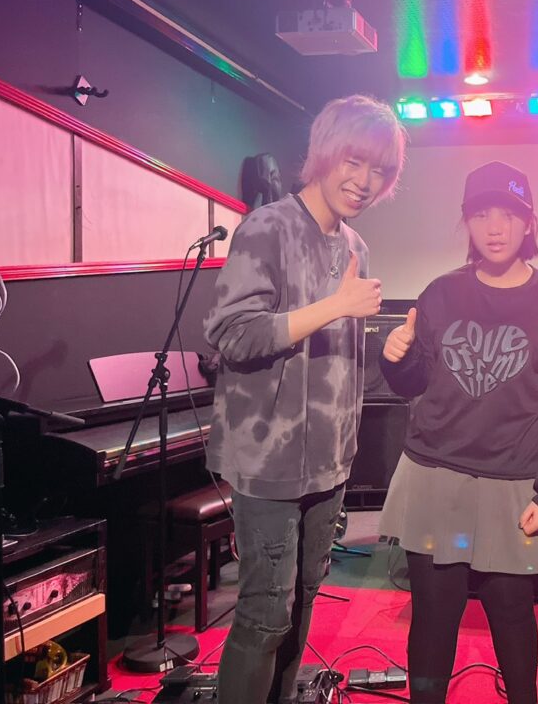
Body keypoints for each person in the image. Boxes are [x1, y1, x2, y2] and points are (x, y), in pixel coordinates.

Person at [204, 94, 407, 704]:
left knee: (301, 604)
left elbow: (343, 360)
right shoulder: (267, 228)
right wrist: (333, 307)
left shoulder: (356, 246)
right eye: (354, 162)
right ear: (323, 153)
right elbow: (231, 334)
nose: (364, 181)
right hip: (268, 458)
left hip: (329, 462)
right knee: (265, 614)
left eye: (379, 171)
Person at [378, 161, 538, 703]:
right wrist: (395, 359)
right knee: (433, 616)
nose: (495, 227)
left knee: (513, 614)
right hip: (434, 477)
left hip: (514, 486)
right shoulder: (440, 293)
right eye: (481, 214)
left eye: (509, 215)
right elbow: (416, 382)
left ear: (529, 222)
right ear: (466, 222)